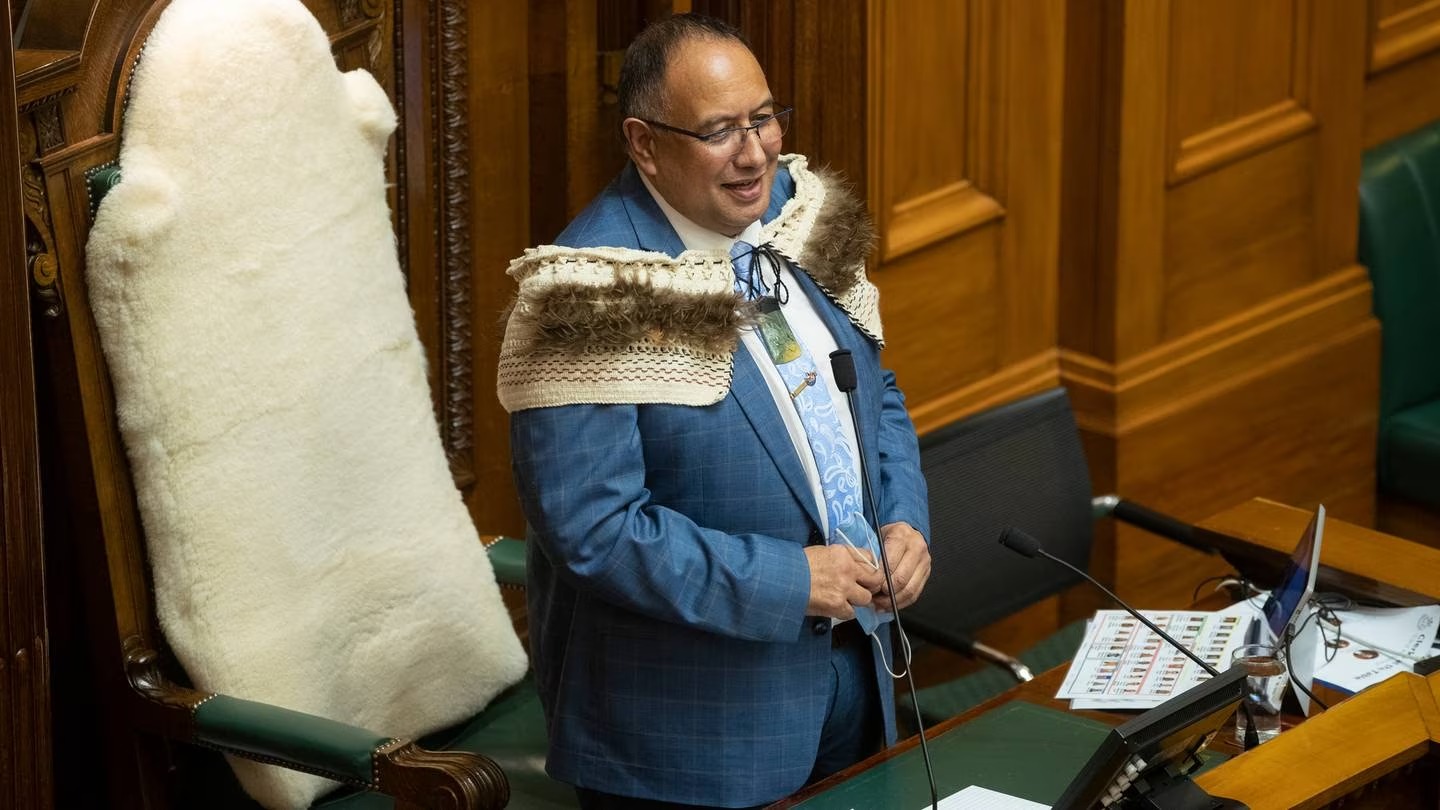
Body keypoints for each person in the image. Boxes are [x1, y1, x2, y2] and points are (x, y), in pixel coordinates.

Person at [497, 13, 931, 809]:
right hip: (692, 741)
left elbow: (875, 391)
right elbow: (594, 531)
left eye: (763, 118)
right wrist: (790, 580)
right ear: (644, 143)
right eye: (719, 131)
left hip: (854, 683)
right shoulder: (587, 290)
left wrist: (903, 519)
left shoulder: (801, 212)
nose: (755, 152)